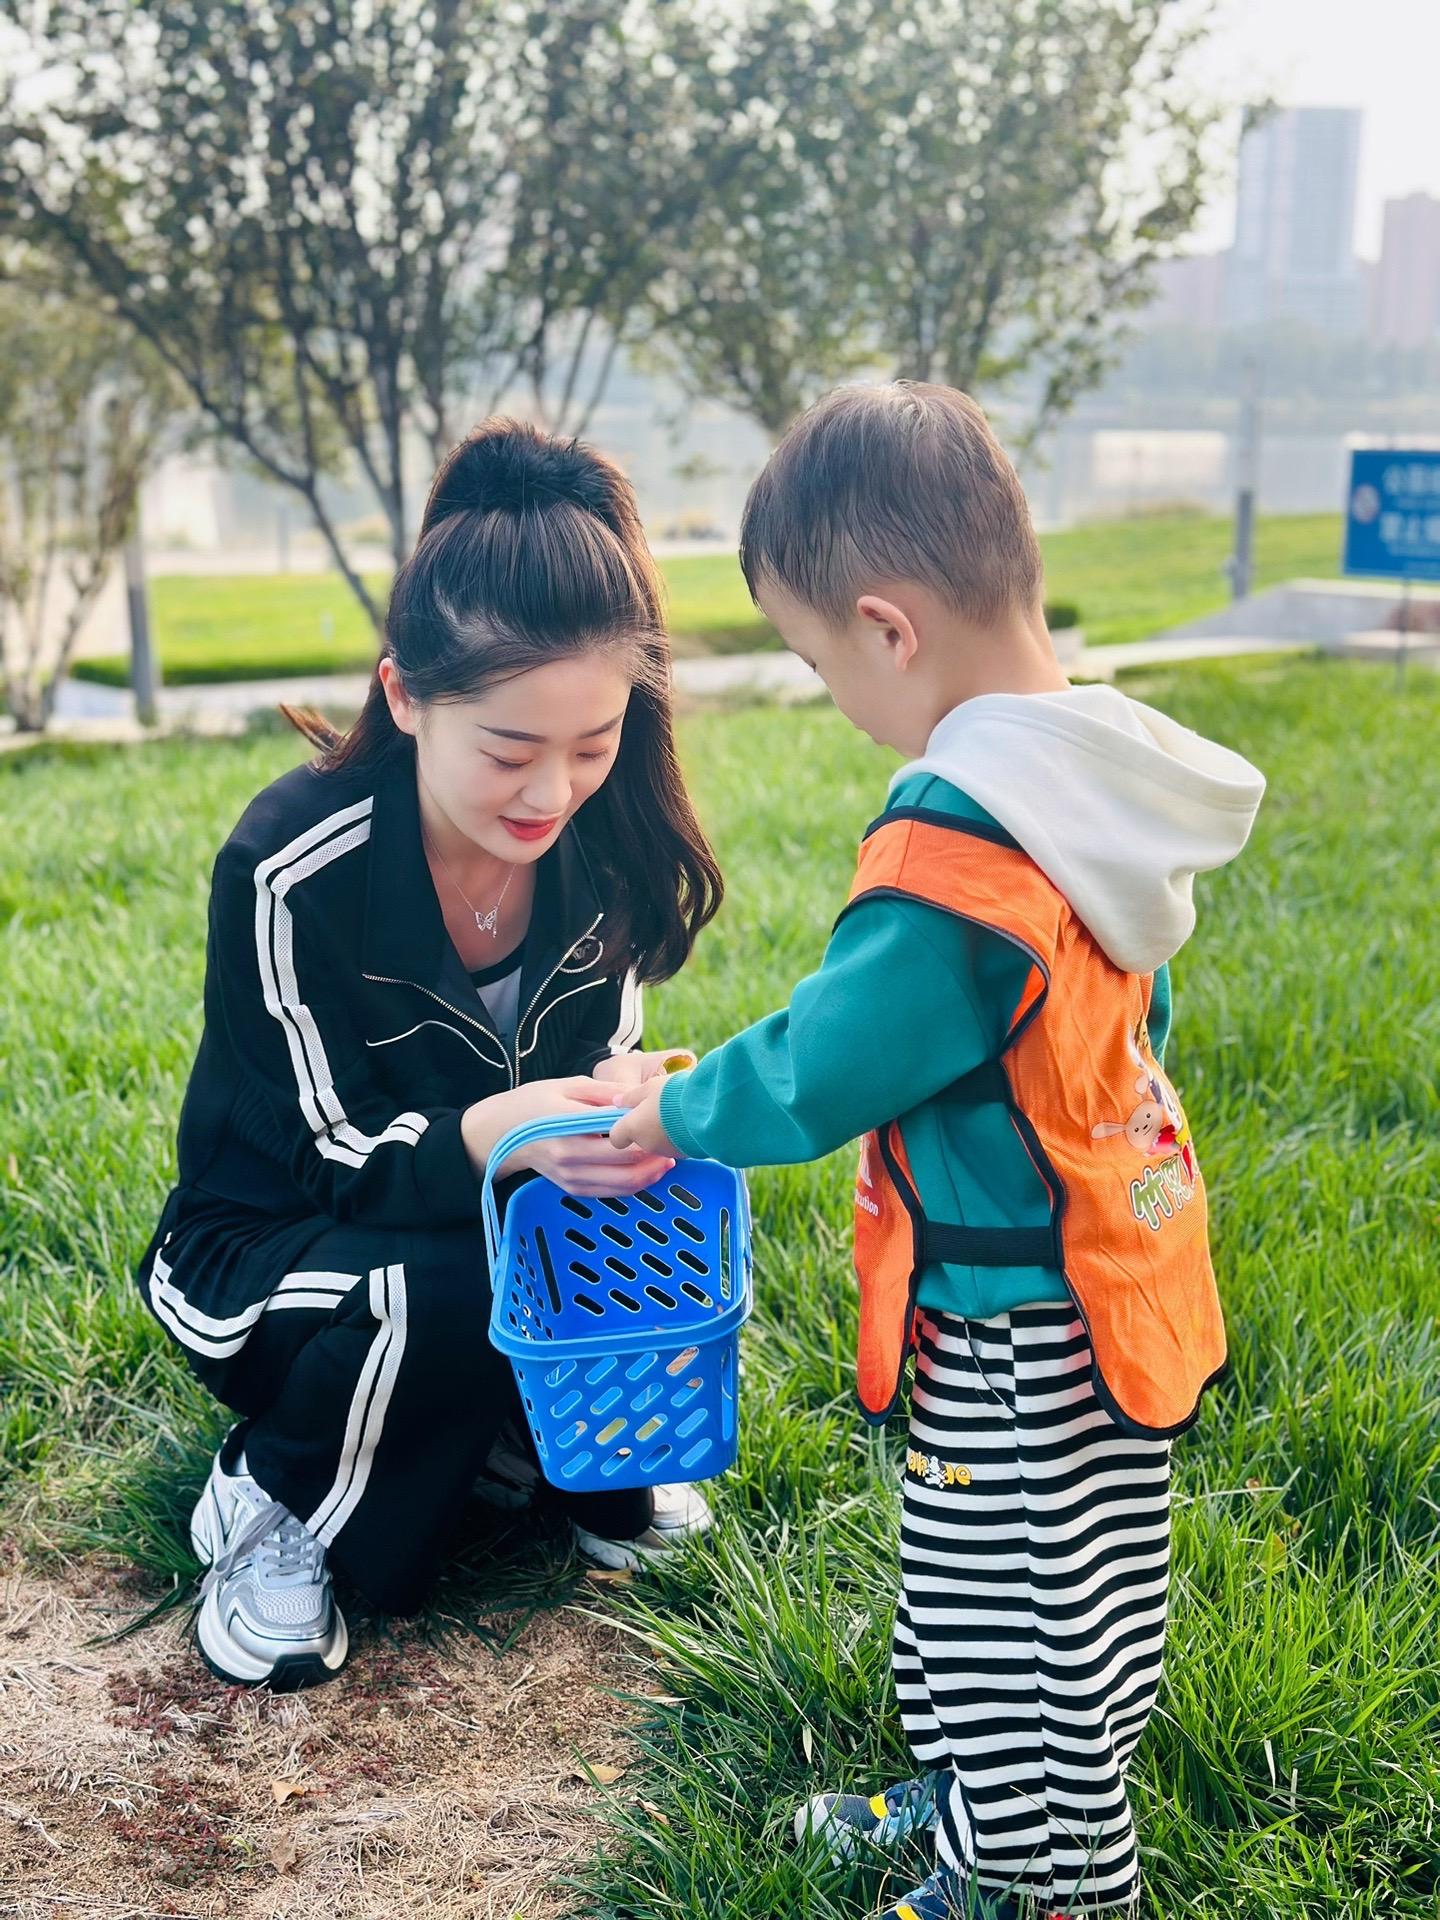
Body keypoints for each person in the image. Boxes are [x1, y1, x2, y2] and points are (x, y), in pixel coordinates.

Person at [611, 382, 1265, 1920]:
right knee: (1037, 1595)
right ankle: (982, 1811)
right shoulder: (1093, 779)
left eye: (814, 655)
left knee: (1027, 1626)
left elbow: (829, 1063)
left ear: (887, 628)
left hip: (1016, 1322)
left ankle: (1054, 1885)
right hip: (1109, 1277)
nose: (829, 688)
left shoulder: (966, 846)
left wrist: (673, 1109)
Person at [136, 419, 724, 1690]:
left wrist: (631, 1097)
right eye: (511, 749)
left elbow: (605, 1053)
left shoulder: (606, 846)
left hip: (474, 1222)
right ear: (405, 695)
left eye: (594, 741)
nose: (553, 790)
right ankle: (277, 1501)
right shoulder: (292, 865)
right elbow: (331, 1155)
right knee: (442, 1289)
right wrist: (498, 1130)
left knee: (629, 1210)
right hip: (273, 1247)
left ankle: (547, 1455)